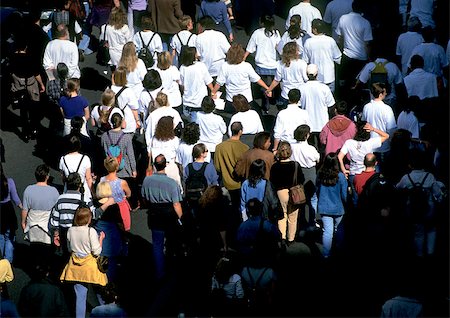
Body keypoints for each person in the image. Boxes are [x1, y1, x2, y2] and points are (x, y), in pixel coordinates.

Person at [141, 154, 183, 281]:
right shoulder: (171, 183)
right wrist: (182, 218)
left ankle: (160, 272)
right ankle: (172, 269)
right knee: (172, 243)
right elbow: (176, 204)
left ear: (154, 165)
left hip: (155, 215)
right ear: (165, 165)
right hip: (169, 216)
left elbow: (144, 198)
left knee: (157, 245)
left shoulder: (146, 180)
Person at [59, 207, 107, 318]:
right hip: (90, 266)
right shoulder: (91, 231)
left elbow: (70, 248)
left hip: (76, 266)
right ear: (88, 218)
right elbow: (97, 251)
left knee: (80, 297)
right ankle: (105, 312)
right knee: (100, 289)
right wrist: (101, 239)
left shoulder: (71, 230)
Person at [396, 149, 439, 257]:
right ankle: (430, 252)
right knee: (431, 229)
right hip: (429, 208)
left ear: (410, 165)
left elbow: (397, 188)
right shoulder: (429, 176)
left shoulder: (406, 178)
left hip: (413, 208)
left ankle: (419, 254)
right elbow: (437, 193)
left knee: (418, 232)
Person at [214, 122, 249, 246]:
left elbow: (217, 167)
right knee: (239, 212)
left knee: (225, 214)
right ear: (240, 131)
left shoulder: (219, 147)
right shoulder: (244, 148)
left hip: (225, 184)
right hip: (239, 185)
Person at [337, 121, 389, 205]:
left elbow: (339, 156)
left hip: (353, 173)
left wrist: (343, 169)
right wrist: (373, 129)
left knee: (355, 198)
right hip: (367, 173)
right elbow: (386, 136)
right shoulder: (370, 143)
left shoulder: (349, 142)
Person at [212, 43, 271, 114]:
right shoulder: (246, 66)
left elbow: (219, 83)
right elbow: (257, 79)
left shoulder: (225, 66)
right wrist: (267, 88)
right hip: (246, 100)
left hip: (231, 101)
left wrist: (213, 92)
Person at [9, 37, 45, 142]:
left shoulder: (12, 57)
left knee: (23, 110)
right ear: (26, 47)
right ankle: (34, 129)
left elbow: (10, 71)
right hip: (30, 84)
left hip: (18, 85)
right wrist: (41, 84)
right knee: (34, 108)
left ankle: (25, 133)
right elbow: (36, 73)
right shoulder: (30, 58)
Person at [335, 0, 373, 100]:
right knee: (359, 84)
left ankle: (344, 103)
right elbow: (367, 44)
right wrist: (369, 58)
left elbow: (340, 38)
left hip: (347, 55)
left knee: (345, 83)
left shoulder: (343, 19)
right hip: (361, 58)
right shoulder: (365, 23)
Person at [22, 164, 60, 260]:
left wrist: (23, 222)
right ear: (47, 176)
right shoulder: (54, 191)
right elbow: (57, 211)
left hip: (32, 226)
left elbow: (25, 210)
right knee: (47, 252)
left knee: (35, 251)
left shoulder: (28, 189)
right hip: (47, 227)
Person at [270, 141, 305, 245]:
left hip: (280, 192)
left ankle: (282, 237)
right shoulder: (295, 165)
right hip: (294, 192)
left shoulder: (275, 166)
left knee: (282, 216)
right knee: (292, 217)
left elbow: (272, 182)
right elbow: (301, 179)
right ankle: (291, 238)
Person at [92, 182, 128, 283]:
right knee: (111, 266)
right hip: (112, 239)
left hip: (99, 239)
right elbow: (119, 224)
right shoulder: (113, 206)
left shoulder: (95, 204)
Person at [243, 15, 281, 112]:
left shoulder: (257, 33)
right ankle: (273, 99)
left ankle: (266, 103)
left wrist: (242, 59)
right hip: (274, 65)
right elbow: (279, 48)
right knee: (273, 84)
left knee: (263, 86)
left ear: (262, 23)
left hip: (261, 65)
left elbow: (249, 48)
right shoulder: (276, 33)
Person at [316, 152, 348, 258]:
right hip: (338, 207)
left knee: (327, 231)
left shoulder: (320, 175)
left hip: (324, 207)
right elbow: (344, 194)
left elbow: (317, 190)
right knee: (338, 229)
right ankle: (339, 250)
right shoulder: (340, 177)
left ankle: (326, 254)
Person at [50, 172, 86, 263]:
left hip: (64, 233)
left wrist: (56, 233)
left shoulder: (61, 199)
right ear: (79, 185)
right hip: (79, 232)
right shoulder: (83, 199)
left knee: (66, 257)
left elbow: (54, 220)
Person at [290, 125, 320, 233]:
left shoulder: (292, 147)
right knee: (312, 198)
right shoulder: (310, 148)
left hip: (297, 173)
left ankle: (301, 222)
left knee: (299, 199)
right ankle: (312, 221)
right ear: (307, 135)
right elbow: (317, 159)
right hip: (310, 173)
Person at [299, 64, 336, 151]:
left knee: (310, 147)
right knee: (323, 147)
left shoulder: (301, 88)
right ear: (317, 74)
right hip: (322, 123)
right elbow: (331, 106)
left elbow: (299, 105)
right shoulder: (324, 88)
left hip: (308, 123)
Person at [361, 83, 398, 167]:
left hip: (370, 145)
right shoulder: (387, 109)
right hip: (383, 145)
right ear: (381, 94)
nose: (386, 94)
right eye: (384, 92)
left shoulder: (366, 107)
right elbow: (391, 129)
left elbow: (363, 122)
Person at [302, 18, 342, 92]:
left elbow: (305, 60)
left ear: (315, 29)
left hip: (315, 77)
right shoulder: (330, 40)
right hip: (329, 76)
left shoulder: (308, 42)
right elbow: (338, 58)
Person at [266, 41, 308, 110]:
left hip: (285, 95)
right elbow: (306, 79)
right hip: (298, 96)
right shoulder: (302, 63)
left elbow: (276, 80)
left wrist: (269, 90)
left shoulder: (281, 64)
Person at [179, 46, 214, 122]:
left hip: (187, 103)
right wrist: (213, 91)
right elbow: (208, 81)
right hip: (199, 102)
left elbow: (181, 85)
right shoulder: (201, 66)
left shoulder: (182, 68)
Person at [240, 159, 280, 224]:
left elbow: (242, 203)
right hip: (263, 215)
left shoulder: (245, 183)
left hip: (249, 215)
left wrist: (244, 219)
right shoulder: (266, 183)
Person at [149, 116, 182, 191]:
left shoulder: (154, 139)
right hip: (171, 168)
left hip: (157, 168)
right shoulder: (175, 140)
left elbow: (150, 154)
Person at [59, 135, 94, 205]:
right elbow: (88, 178)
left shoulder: (63, 159)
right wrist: (93, 193)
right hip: (83, 191)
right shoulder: (85, 159)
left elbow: (63, 177)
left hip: (68, 190)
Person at [100, 157, 132, 231]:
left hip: (107, 207)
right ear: (117, 167)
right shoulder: (122, 182)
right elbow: (129, 194)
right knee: (123, 232)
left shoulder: (102, 180)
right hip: (120, 207)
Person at [0, 164, 22, 263]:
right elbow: (16, 199)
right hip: (8, 211)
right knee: (9, 236)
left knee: (0, 236)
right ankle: (7, 262)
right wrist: (24, 208)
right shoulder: (9, 182)